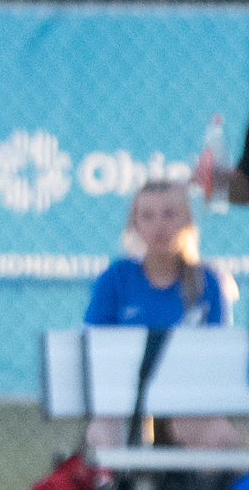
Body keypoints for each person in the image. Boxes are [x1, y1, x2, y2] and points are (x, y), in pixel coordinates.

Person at [83, 178, 239, 450]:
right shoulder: (115, 279)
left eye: (169, 214)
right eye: (147, 216)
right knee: (103, 433)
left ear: (187, 221)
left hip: (189, 401)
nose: (159, 226)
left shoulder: (207, 282)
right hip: (126, 400)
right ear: (134, 224)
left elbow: (218, 359)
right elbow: (94, 348)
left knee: (219, 435)